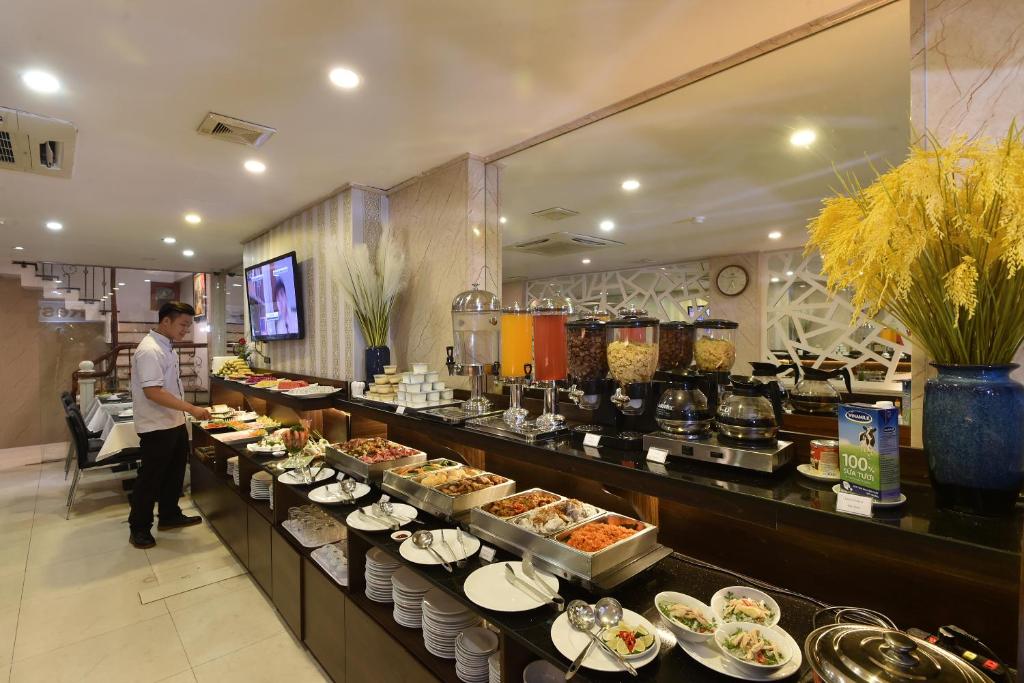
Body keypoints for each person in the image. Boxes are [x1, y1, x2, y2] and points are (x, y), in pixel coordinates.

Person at [127, 301, 212, 549]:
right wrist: (192, 409)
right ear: (166, 321)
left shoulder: (167, 347)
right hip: (156, 425)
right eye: (183, 324)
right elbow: (153, 392)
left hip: (173, 421)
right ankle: (139, 527)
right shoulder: (150, 350)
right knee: (150, 478)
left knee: (174, 473)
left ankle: (169, 514)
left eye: (188, 325)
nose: (186, 330)